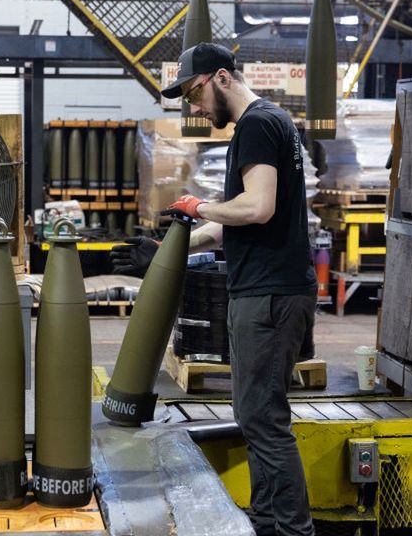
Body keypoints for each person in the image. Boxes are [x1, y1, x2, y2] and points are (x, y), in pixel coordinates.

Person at [111, 42, 316, 536]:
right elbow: (233, 222)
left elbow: (258, 208)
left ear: (221, 77)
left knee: (263, 421)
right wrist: (167, 247)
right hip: (267, 292)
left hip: (268, 295)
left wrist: (198, 206)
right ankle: (269, 522)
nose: (195, 109)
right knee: (254, 415)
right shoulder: (266, 123)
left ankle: (292, 530)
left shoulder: (257, 125)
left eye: (195, 94)